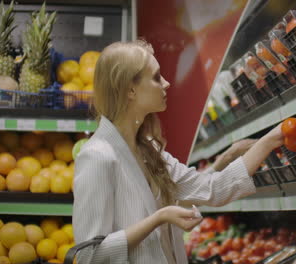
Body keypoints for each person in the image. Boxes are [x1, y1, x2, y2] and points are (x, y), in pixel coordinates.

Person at [73, 39, 284, 264]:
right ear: (130, 90)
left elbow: (214, 190)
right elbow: (89, 255)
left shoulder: (149, 150)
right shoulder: (97, 156)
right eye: (156, 77)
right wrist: (159, 217)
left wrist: (271, 139)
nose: (166, 83)